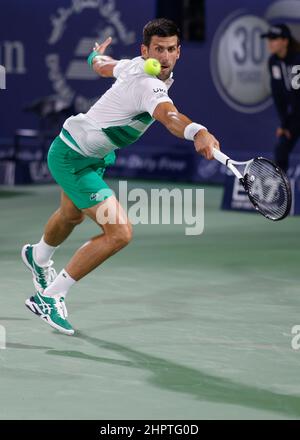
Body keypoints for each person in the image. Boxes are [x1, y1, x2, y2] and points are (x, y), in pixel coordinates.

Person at [22, 18, 220, 335]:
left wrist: (93, 56)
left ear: (179, 52)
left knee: (70, 215)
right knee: (119, 233)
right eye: (158, 49)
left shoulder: (132, 65)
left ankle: (38, 255)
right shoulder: (147, 83)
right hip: (73, 157)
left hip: (89, 153)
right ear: (146, 50)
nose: (165, 56)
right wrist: (198, 132)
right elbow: (169, 117)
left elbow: (103, 66)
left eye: (171, 49)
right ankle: (51, 296)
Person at [261, 23, 300, 172]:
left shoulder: (298, 59)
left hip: (297, 115)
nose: (270, 42)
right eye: (269, 39)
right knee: (281, 150)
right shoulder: (273, 62)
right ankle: (282, 189)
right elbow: (278, 96)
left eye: (274, 38)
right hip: (295, 116)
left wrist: (289, 124)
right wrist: (284, 125)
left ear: (285, 41)